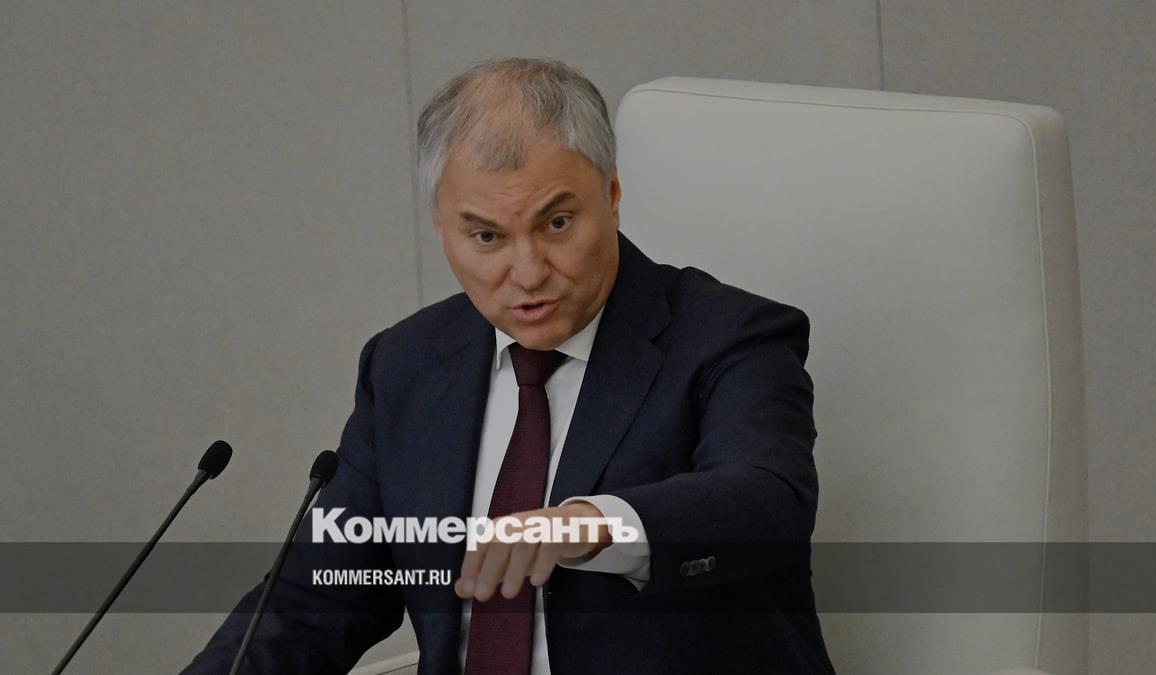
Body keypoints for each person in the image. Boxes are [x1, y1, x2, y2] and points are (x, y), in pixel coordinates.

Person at [184, 57, 835, 675]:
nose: (527, 273)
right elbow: (316, 598)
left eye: (557, 223)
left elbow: (766, 500)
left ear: (611, 195)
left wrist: (589, 523)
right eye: (487, 236)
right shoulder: (407, 365)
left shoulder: (730, 336)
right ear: (442, 228)